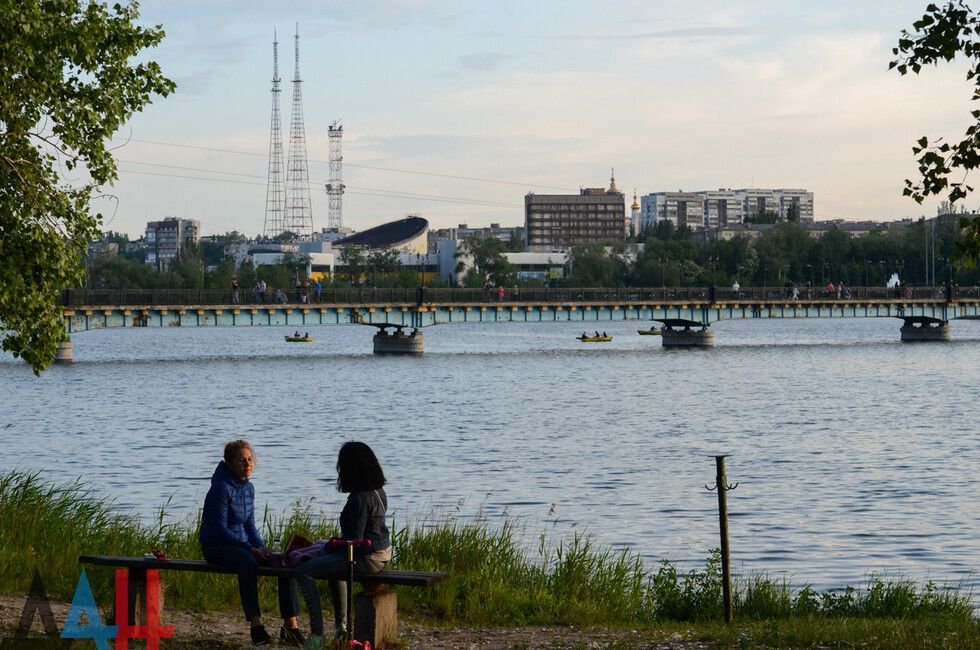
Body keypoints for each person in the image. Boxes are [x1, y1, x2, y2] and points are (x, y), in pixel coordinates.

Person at [200, 440, 304, 647]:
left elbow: (249, 526)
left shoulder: (249, 488)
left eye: (250, 460)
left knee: (282, 561)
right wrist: (250, 549)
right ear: (230, 464)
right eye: (241, 460)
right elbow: (220, 530)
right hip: (216, 547)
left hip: (241, 544)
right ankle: (256, 627)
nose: (247, 464)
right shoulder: (220, 489)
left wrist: (263, 548)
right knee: (248, 562)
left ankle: (291, 626)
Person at [295, 442, 391, 644]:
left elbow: (353, 543)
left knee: (304, 571)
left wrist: (328, 546)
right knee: (332, 562)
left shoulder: (359, 498)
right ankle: (341, 627)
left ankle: (317, 633)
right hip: (382, 553)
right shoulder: (378, 490)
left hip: (367, 558)